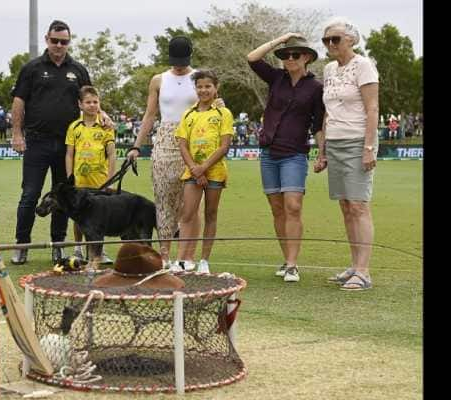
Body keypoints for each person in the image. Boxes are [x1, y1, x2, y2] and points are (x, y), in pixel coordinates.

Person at [10, 19, 112, 265]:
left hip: (67, 146)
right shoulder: (32, 68)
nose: (59, 45)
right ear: (47, 39)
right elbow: (19, 101)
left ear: (69, 42)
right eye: (55, 40)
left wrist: (103, 113)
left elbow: (90, 98)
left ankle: (58, 246)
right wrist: (16, 133)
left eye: (64, 41)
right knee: (30, 195)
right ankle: (21, 245)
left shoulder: (77, 70)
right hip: (36, 142)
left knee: (64, 197)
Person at [247, 34, 325, 282]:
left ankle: (293, 264)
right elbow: (252, 57)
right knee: (277, 209)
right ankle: (286, 259)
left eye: (295, 55)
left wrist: (322, 153)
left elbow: (318, 125)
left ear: (307, 58)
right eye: (286, 55)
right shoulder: (276, 78)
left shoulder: (316, 88)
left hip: (294, 154)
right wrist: (281, 40)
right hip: (269, 152)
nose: (289, 59)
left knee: (293, 206)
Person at [126, 36, 208, 270]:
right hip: (164, 140)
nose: (179, 66)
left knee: (191, 204)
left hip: (194, 140)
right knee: (163, 202)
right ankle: (164, 256)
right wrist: (136, 145)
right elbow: (150, 115)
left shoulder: (200, 78)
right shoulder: (158, 79)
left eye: (182, 61)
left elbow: (212, 104)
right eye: (175, 61)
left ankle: (188, 257)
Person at [316, 17, 379, 291]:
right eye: (326, 40)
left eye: (336, 39)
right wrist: (323, 149)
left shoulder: (363, 65)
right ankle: (354, 266)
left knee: (358, 205)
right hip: (336, 141)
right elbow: (328, 112)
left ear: (351, 40)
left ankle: (364, 272)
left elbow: (372, 108)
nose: (330, 44)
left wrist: (368, 147)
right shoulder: (329, 69)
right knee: (345, 206)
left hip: (357, 141)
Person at [174, 69, 234, 274]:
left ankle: (204, 261)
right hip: (192, 172)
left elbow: (224, 146)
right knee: (187, 213)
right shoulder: (188, 113)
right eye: (199, 86)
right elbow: (182, 144)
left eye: (208, 86)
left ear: (216, 88)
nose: (203, 90)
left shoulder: (223, 113)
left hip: (214, 172)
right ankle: (181, 260)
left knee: (210, 214)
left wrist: (204, 168)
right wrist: (194, 169)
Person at [65, 85, 116, 264]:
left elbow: (111, 154)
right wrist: (70, 179)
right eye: (88, 102)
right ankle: (78, 249)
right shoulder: (74, 127)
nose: (92, 105)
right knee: (78, 217)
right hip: (80, 181)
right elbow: (69, 154)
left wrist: (110, 179)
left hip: (100, 182)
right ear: (80, 104)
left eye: (95, 102)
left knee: (100, 218)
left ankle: (99, 252)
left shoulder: (106, 127)